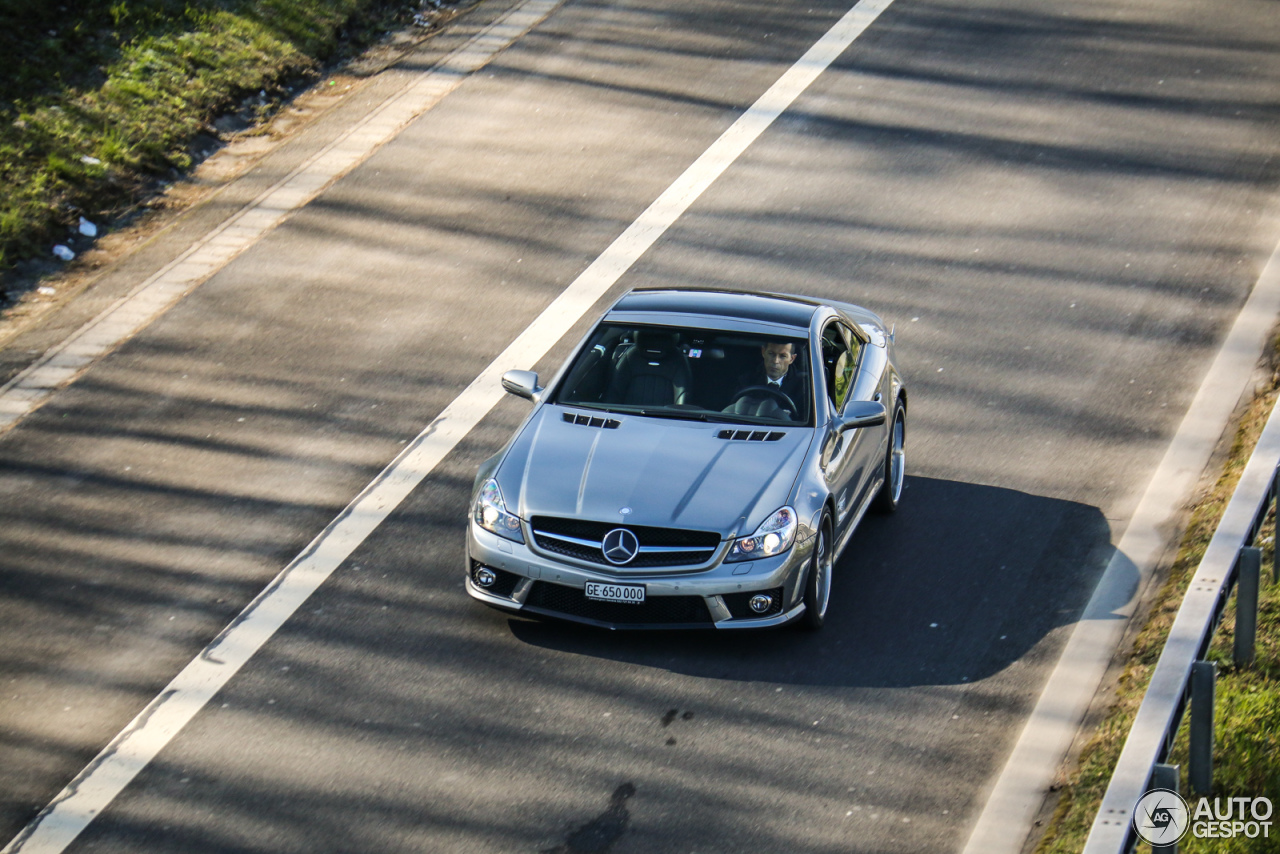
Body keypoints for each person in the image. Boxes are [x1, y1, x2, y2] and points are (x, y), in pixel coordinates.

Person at [727, 341, 806, 417]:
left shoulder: (804, 386)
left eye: (782, 356)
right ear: (763, 352)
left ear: (792, 359)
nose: (775, 361)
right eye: (771, 354)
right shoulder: (746, 380)